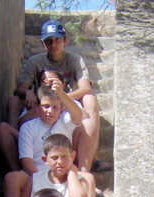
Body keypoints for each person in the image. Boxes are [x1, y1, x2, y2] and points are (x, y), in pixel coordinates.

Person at [0, 83, 96, 197]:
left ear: (61, 108)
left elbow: (78, 116)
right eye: (46, 106)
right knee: (11, 178)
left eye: (55, 107)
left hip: (63, 170)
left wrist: (62, 94)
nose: (50, 111)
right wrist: (44, 179)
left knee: (88, 179)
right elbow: (26, 160)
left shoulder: (64, 121)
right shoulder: (28, 126)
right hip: (35, 172)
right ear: (37, 106)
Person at [12, 19, 105, 173]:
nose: (53, 45)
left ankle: (91, 158)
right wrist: (28, 92)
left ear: (65, 40)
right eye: (49, 41)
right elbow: (20, 90)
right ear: (43, 44)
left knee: (90, 99)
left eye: (57, 40)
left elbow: (85, 88)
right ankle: (19, 152)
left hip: (67, 105)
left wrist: (61, 97)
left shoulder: (74, 60)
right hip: (42, 105)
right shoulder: (35, 61)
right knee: (14, 101)